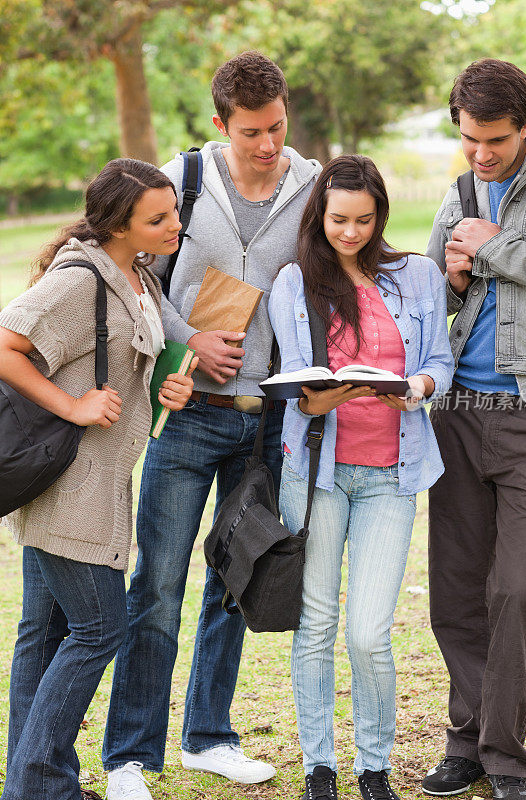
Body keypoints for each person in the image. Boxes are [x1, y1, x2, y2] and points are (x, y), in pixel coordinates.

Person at [102, 51, 321, 799]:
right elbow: (136, 273)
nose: (268, 145)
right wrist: (188, 338)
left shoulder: (313, 185)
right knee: (157, 582)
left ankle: (210, 737)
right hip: (191, 411)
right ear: (219, 122)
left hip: (272, 419)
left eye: (277, 128)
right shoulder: (184, 181)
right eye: (252, 131)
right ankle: (130, 753)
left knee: (236, 579)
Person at [0, 159, 196, 800]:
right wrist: (74, 407)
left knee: (44, 633)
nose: (173, 225)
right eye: (157, 218)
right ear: (118, 224)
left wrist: (167, 385)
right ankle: (36, 781)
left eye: (172, 211)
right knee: (99, 628)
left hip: (97, 481)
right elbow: (6, 345)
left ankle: (33, 781)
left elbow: (129, 361)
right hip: (71, 487)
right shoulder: (80, 282)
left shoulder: (135, 274)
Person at [268, 155, 454, 800]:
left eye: (364, 220)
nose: (350, 233)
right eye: (338, 220)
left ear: (381, 217)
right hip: (318, 471)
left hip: (392, 475)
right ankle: (319, 764)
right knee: (315, 625)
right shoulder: (296, 283)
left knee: (369, 631)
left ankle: (374, 766)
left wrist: (420, 385)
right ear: (319, 216)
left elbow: (439, 360)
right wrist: (330, 394)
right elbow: (298, 388)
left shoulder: (419, 276)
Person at [421, 59, 526, 800]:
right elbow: (433, 291)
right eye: (470, 140)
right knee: (453, 592)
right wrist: (450, 280)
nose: (481, 155)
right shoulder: (461, 185)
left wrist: (495, 249)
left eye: (496, 142)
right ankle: (467, 743)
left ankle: (508, 757)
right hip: (458, 416)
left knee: (515, 588)